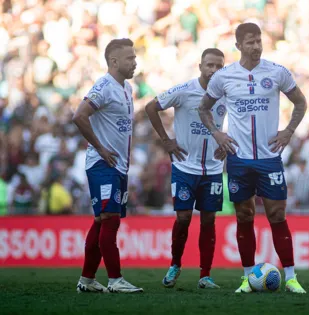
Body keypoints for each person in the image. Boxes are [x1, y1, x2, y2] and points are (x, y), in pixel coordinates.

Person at [198, 23, 307, 294]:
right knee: (244, 216)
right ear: (238, 46)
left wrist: (289, 131)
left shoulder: (277, 71)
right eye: (250, 42)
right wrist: (217, 134)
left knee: (277, 214)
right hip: (239, 158)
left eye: (258, 41)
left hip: (270, 157)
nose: (256, 46)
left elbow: (301, 102)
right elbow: (203, 109)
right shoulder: (224, 77)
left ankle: (291, 278)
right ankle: (248, 277)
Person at [145, 48, 226, 289]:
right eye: (209, 65)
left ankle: (205, 275)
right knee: (183, 217)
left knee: (209, 220)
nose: (213, 70)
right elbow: (151, 107)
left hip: (212, 168)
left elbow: (240, 120)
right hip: (184, 166)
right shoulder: (184, 91)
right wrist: (165, 140)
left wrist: (228, 142)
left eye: (218, 67)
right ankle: (175, 264)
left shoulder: (226, 93)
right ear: (200, 66)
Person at [73, 38, 143, 293]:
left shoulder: (126, 88)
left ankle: (87, 280)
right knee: (109, 219)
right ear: (114, 61)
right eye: (130, 58)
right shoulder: (104, 86)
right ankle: (115, 279)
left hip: (118, 166)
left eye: (135, 57)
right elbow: (79, 116)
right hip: (103, 164)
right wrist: (101, 149)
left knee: (102, 221)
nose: (135, 62)